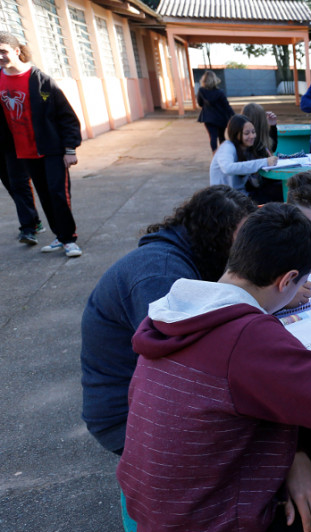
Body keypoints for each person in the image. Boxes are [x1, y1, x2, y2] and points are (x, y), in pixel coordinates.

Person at [117, 203, 311, 532]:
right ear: (287, 280)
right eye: (302, 281)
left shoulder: (175, 311)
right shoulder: (247, 338)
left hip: (163, 524)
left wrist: (295, 456)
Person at [80, 185, 257, 455]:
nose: (243, 252)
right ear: (215, 236)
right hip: (123, 419)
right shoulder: (160, 275)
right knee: (264, 432)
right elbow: (185, 369)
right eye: (239, 242)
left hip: (144, 400)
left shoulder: (186, 254)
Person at [0, 32, 83, 257]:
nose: (0, 57)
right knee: (45, 195)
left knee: (58, 194)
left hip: (52, 149)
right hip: (22, 152)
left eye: (3, 51)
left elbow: (65, 115)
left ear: (16, 51)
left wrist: (69, 149)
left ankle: (69, 239)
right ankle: (59, 235)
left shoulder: (40, 80)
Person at [209, 114, 277, 194]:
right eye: (246, 133)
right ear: (235, 134)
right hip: (225, 199)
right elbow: (228, 168)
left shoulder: (247, 148)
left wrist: (272, 127)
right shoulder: (227, 147)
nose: (252, 136)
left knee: (277, 189)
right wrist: (264, 162)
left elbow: (270, 149)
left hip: (240, 195)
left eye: (253, 132)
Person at [241, 102, 283, 203]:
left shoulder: (254, 138)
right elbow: (258, 182)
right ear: (260, 122)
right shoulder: (250, 142)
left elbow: (270, 147)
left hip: (258, 187)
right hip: (253, 193)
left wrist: (272, 126)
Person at [0, 151, 43, 244]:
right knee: (9, 183)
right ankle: (34, 220)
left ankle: (28, 229)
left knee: (19, 183)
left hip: (14, 143)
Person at [196, 70, 234, 153]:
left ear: (204, 80)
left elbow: (200, 104)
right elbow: (226, 106)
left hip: (208, 118)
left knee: (212, 137)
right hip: (221, 118)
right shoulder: (220, 92)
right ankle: (224, 154)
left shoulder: (201, 91)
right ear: (215, 80)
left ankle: (214, 155)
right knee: (221, 137)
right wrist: (234, 115)